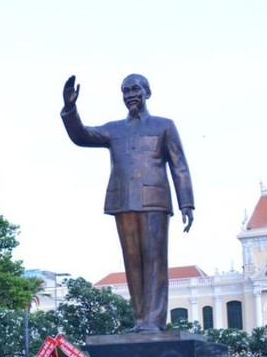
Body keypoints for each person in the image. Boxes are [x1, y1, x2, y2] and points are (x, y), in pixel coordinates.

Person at [61, 74, 195, 332]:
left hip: (154, 201)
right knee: (132, 262)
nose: (130, 95)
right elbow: (82, 135)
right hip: (123, 201)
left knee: (154, 259)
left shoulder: (164, 125)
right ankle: (140, 319)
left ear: (147, 92)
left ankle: (154, 321)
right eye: (125, 91)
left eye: (135, 89)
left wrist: (186, 202)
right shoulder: (114, 129)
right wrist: (70, 108)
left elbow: (180, 166)